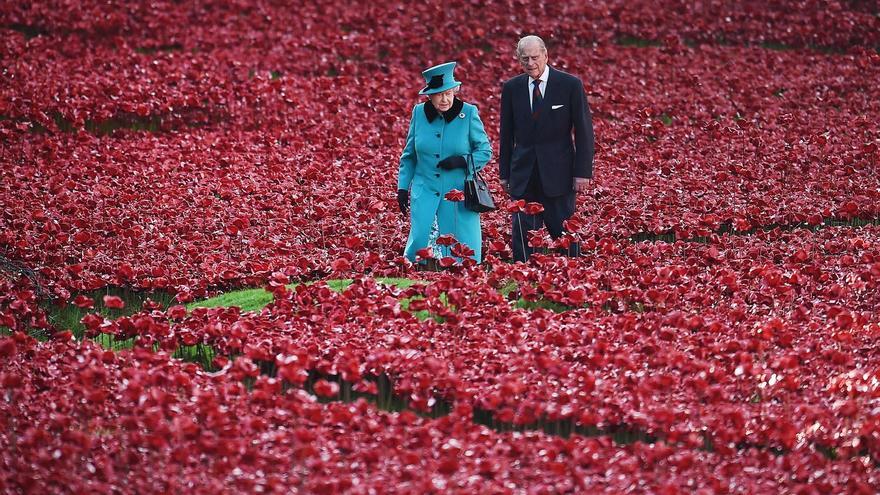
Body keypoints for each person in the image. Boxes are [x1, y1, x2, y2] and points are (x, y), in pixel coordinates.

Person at [499, 35, 594, 262]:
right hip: (523, 173)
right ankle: (523, 279)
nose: (530, 63)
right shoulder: (512, 88)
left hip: (559, 174)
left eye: (534, 57)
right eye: (525, 59)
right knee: (522, 234)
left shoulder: (570, 85)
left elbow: (584, 131)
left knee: (564, 234)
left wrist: (582, 172)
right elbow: (506, 134)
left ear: (546, 55)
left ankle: (572, 281)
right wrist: (504, 174)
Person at [397, 62, 492, 264]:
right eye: (439, 94)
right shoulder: (419, 114)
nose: (445, 99)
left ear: (455, 91)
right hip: (425, 191)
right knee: (420, 252)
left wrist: (463, 161)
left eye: (449, 93)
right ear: (429, 95)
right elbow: (409, 155)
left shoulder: (469, 114)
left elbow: (485, 151)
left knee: (462, 255)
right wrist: (403, 188)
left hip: (458, 192)